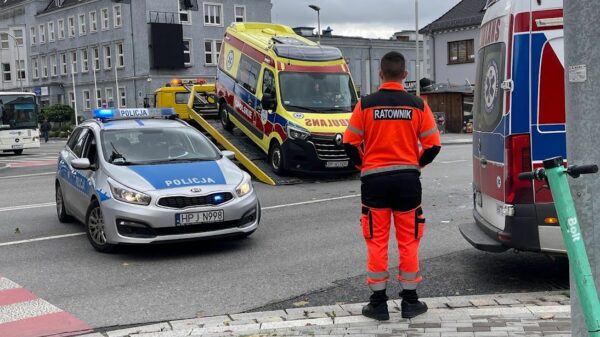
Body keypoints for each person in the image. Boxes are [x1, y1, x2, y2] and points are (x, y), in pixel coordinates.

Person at [343, 51, 441, 321]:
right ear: (405, 76)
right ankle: (410, 301)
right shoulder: (418, 105)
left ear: (380, 74)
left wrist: (364, 166)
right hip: (408, 183)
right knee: (409, 241)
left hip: (374, 182)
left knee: (376, 241)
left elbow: (349, 143)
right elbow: (434, 145)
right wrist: (416, 165)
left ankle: (378, 304)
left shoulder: (365, 105)